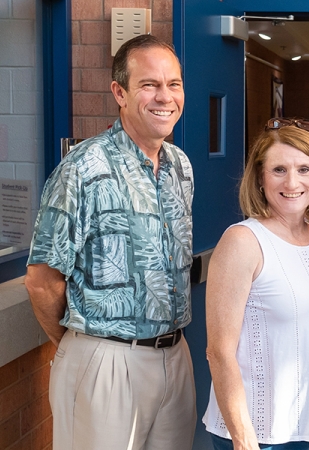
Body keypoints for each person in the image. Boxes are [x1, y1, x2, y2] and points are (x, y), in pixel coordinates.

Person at [24, 34, 195, 449]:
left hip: (176, 354)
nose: (164, 96)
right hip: (106, 359)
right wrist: (82, 348)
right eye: (149, 85)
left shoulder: (180, 167)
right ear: (120, 92)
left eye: (173, 84)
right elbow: (42, 279)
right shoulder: (83, 167)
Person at [203, 119, 309, 450]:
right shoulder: (243, 241)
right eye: (279, 170)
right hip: (259, 435)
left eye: (304, 169)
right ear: (260, 178)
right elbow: (219, 351)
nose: (293, 182)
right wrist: (244, 441)